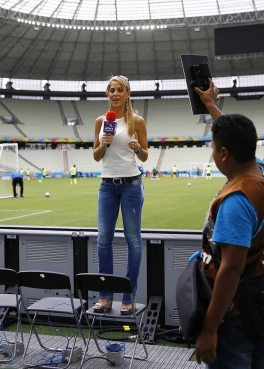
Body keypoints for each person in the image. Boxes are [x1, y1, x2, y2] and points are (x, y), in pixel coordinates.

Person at [194, 79, 264, 369]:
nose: (213, 152)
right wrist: (210, 105)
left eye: (213, 147)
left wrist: (209, 330)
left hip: (234, 319)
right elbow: (235, 139)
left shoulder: (237, 200)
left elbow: (231, 270)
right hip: (261, 304)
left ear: (224, 154)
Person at [93, 75, 148, 315]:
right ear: (108, 94)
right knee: (103, 240)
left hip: (131, 186)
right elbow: (96, 156)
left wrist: (137, 148)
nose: (114, 94)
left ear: (127, 95)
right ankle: (105, 296)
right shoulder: (101, 121)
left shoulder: (137, 121)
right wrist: (103, 143)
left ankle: (128, 295)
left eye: (119, 90)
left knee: (133, 240)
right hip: (107, 186)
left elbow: (145, 156)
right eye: (111, 90)